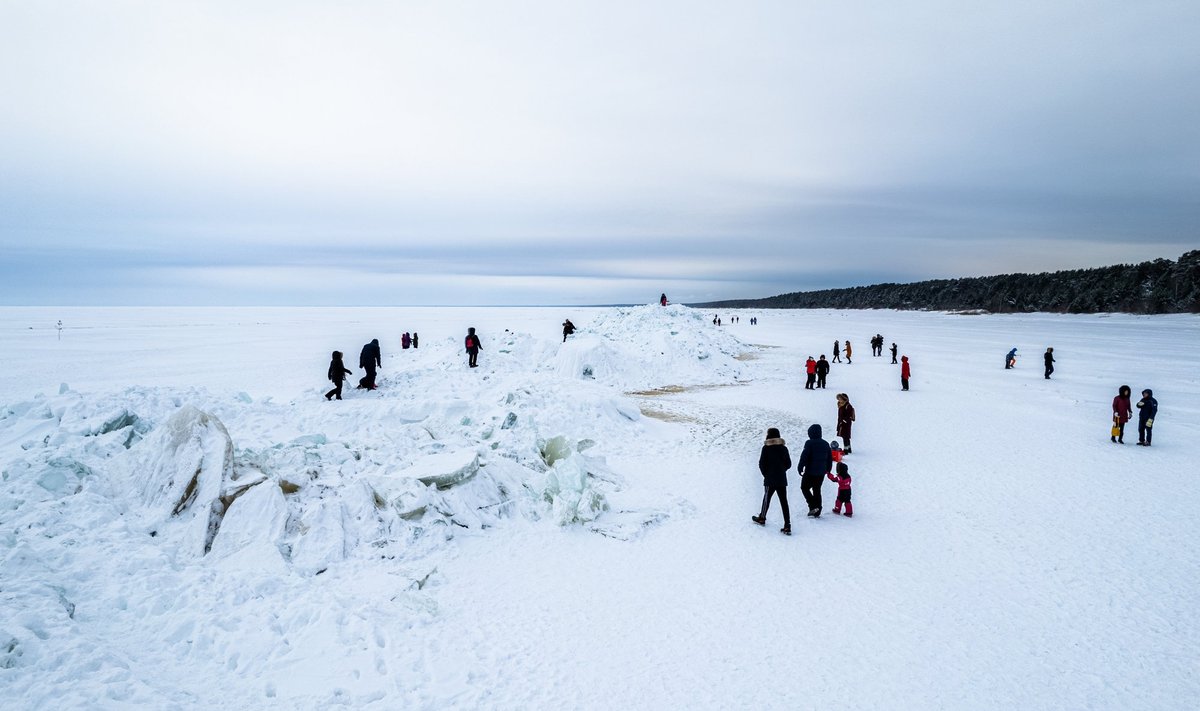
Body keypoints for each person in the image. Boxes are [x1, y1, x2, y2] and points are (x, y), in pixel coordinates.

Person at [752, 427, 792, 535]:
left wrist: (766, 474)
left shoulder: (766, 448)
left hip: (770, 479)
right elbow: (789, 464)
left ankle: (762, 518)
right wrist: (782, 470)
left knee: (766, 500)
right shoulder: (784, 448)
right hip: (782, 479)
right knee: (784, 502)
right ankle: (787, 525)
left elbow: (761, 464)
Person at [797, 423, 833, 518]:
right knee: (817, 490)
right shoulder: (825, 444)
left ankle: (812, 506)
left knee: (804, 487)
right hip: (821, 472)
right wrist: (828, 469)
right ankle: (818, 509)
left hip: (810, 471)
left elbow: (804, 456)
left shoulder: (809, 443)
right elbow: (829, 458)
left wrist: (800, 467)